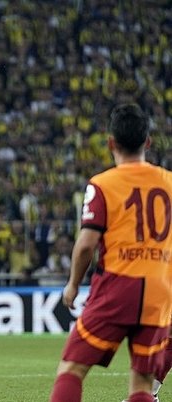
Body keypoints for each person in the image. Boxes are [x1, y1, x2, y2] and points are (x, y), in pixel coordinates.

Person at [49, 103, 172, 402]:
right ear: (148, 142)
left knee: (71, 369)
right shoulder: (169, 183)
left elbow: (86, 244)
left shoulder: (103, 184)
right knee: (142, 384)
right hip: (158, 292)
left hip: (118, 286)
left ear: (110, 143)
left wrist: (73, 284)